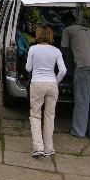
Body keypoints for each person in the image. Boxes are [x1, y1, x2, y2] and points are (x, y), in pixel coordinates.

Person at [61, 12, 90, 139]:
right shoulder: (89, 31)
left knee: (82, 100)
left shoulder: (67, 30)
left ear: (66, 22)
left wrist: (63, 68)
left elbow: (64, 51)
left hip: (84, 67)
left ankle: (79, 131)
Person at [25, 25, 66, 157]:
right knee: (50, 116)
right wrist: (55, 81)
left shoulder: (33, 49)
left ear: (38, 35)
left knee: (36, 115)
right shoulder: (56, 51)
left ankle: (38, 147)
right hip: (52, 84)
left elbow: (28, 68)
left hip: (37, 83)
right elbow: (63, 70)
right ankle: (49, 148)